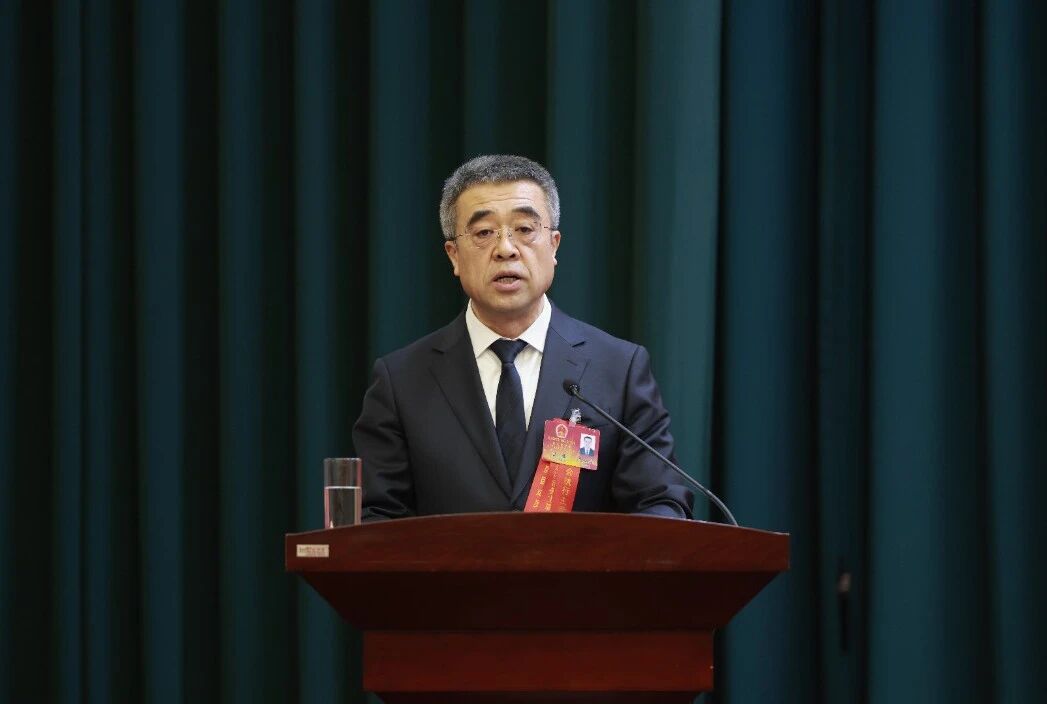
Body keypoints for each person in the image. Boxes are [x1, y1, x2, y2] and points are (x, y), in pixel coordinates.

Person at [353, 155, 693, 520]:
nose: (506, 249)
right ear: (454, 256)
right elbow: (376, 518)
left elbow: (660, 502)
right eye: (484, 233)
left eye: (525, 229)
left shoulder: (618, 369)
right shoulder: (402, 381)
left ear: (554, 245)